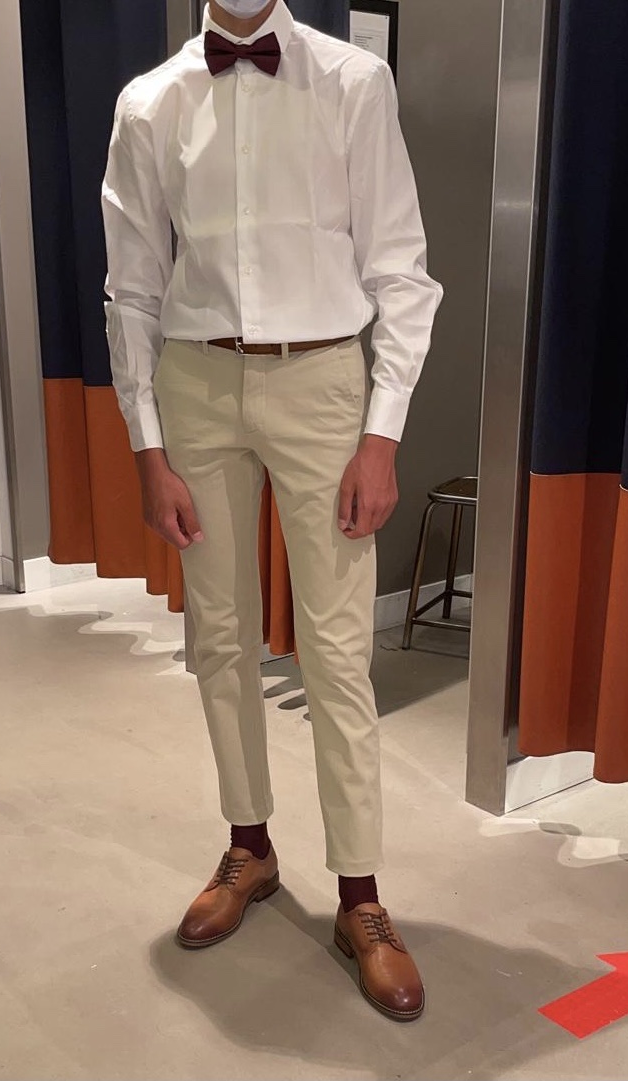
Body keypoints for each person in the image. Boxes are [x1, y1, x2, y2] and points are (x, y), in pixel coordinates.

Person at [102, 0, 442, 1021]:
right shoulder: (150, 101)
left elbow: (399, 266)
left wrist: (381, 434)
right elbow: (132, 285)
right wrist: (147, 445)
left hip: (321, 381)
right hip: (195, 385)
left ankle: (359, 892)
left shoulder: (352, 81)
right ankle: (248, 845)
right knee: (219, 635)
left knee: (336, 648)